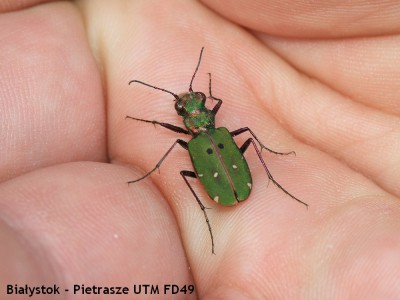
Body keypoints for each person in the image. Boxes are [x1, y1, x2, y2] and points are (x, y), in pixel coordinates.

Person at [1, 1, 399, 298]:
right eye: (187, 105)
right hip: (224, 174)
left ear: (200, 112)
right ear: (199, 115)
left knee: (198, 157)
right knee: (238, 137)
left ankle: (262, 181)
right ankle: (230, 203)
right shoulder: (218, 128)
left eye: (194, 102)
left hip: (222, 177)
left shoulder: (192, 135)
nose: (193, 105)